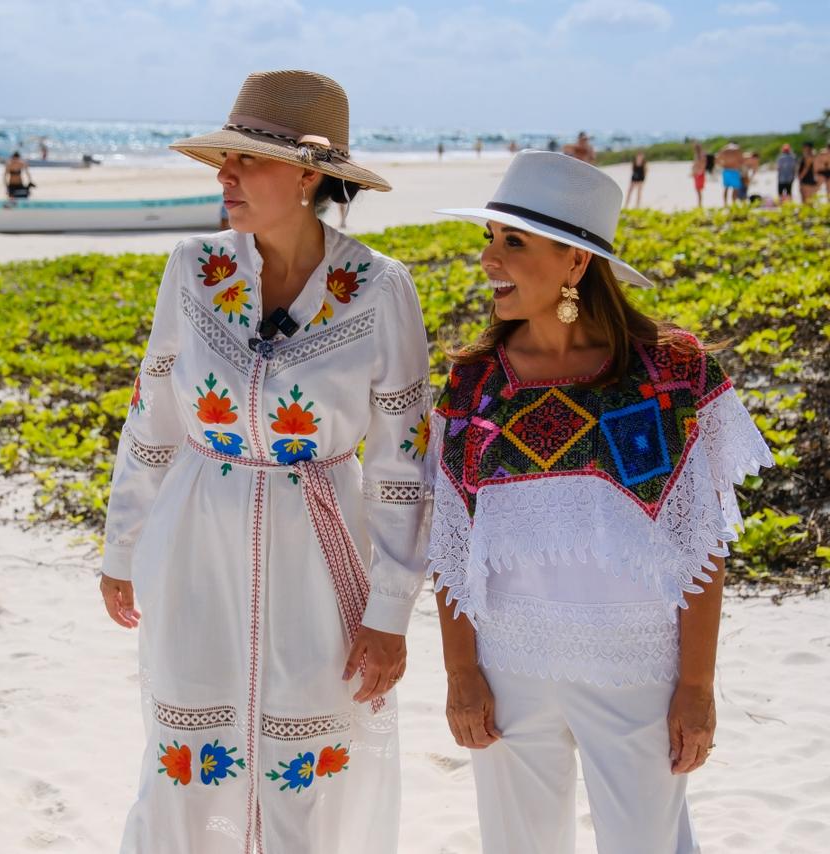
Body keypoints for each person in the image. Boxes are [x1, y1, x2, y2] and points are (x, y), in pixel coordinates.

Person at [99, 69, 431, 854]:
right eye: (224, 158)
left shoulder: (381, 289)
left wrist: (389, 613)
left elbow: (403, 467)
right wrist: (121, 546)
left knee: (304, 764)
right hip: (195, 541)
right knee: (187, 750)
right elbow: (153, 417)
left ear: (308, 176)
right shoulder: (192, 268)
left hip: (319, 551)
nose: (225, 175)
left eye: (246, 159)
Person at [430, 150, 773, 854]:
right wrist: (461, 673)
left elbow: (701, 543)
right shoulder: (473, 385)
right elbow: (450, 546)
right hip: (507, 666)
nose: (489, 259)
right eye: (489, 239)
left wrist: (697, 685)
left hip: (638, 666)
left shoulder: (672, 374)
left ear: (577, 261)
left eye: (513, 242)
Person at [691, 142, 707, 208]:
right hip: (697, 174)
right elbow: (695, 164)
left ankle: (700, 205)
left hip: (699, 174)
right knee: (698, 190)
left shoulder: (701, 154)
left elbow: (703, 164)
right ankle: (699, 204)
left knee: (699, 190)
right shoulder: (697, 154)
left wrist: (699, 172)